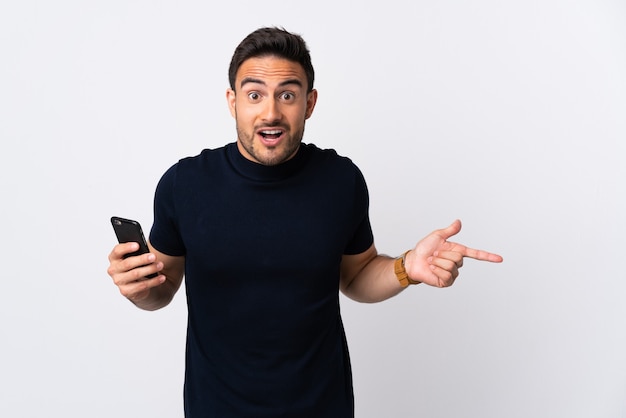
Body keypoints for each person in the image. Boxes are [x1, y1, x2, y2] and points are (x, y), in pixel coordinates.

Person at [107, 26, 503, 418]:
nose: (271, 112)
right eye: (255, 94)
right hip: (215, 407)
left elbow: (356, 276)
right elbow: (162, 287)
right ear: (233, 102)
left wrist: (408, 268)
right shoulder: (185, 184)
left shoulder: (341, 180)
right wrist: (138, 288)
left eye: (287, 95)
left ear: (309, 103)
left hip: (322, 406)